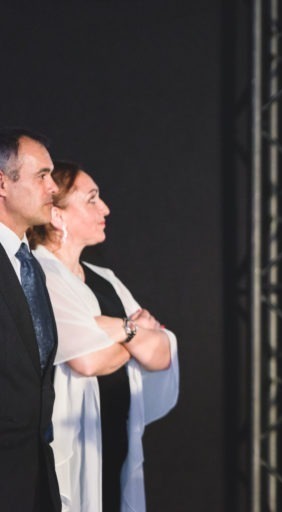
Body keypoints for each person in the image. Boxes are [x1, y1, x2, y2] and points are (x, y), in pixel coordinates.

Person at [28, 161, 179, 512]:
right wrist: (132, 331)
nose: (105, 208)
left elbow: (162, 351)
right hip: (68, 443)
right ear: (57, 216)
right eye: (92, 199)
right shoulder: (40, 274)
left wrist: (112, 330)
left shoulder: (104, 278)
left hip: (111, 439)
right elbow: (86, 359)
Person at [0, 128, 61, 512]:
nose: (53, 187)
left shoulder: (31, 266)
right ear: (3, 183)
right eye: (42, 176)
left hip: (36, 475)